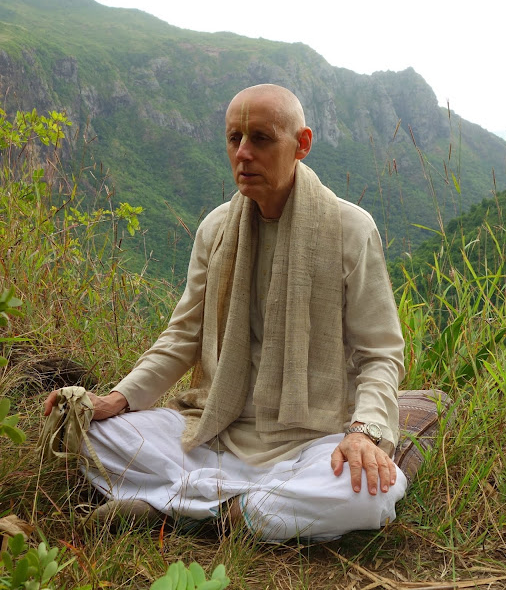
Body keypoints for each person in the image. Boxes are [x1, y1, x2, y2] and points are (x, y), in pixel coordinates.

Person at [44, 84, 409, 542]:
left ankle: (180, 510)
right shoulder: (216, 228)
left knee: (375, 491)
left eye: (261, 138)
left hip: (312, 440)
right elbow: (182, 337)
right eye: (234, 138)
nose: (243, 153)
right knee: (81, 429)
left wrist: (362, 434)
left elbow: (380, 353)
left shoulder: (350, 228)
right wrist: (114, 401)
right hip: (215, 430)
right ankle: (240, 509)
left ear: (302, 144)